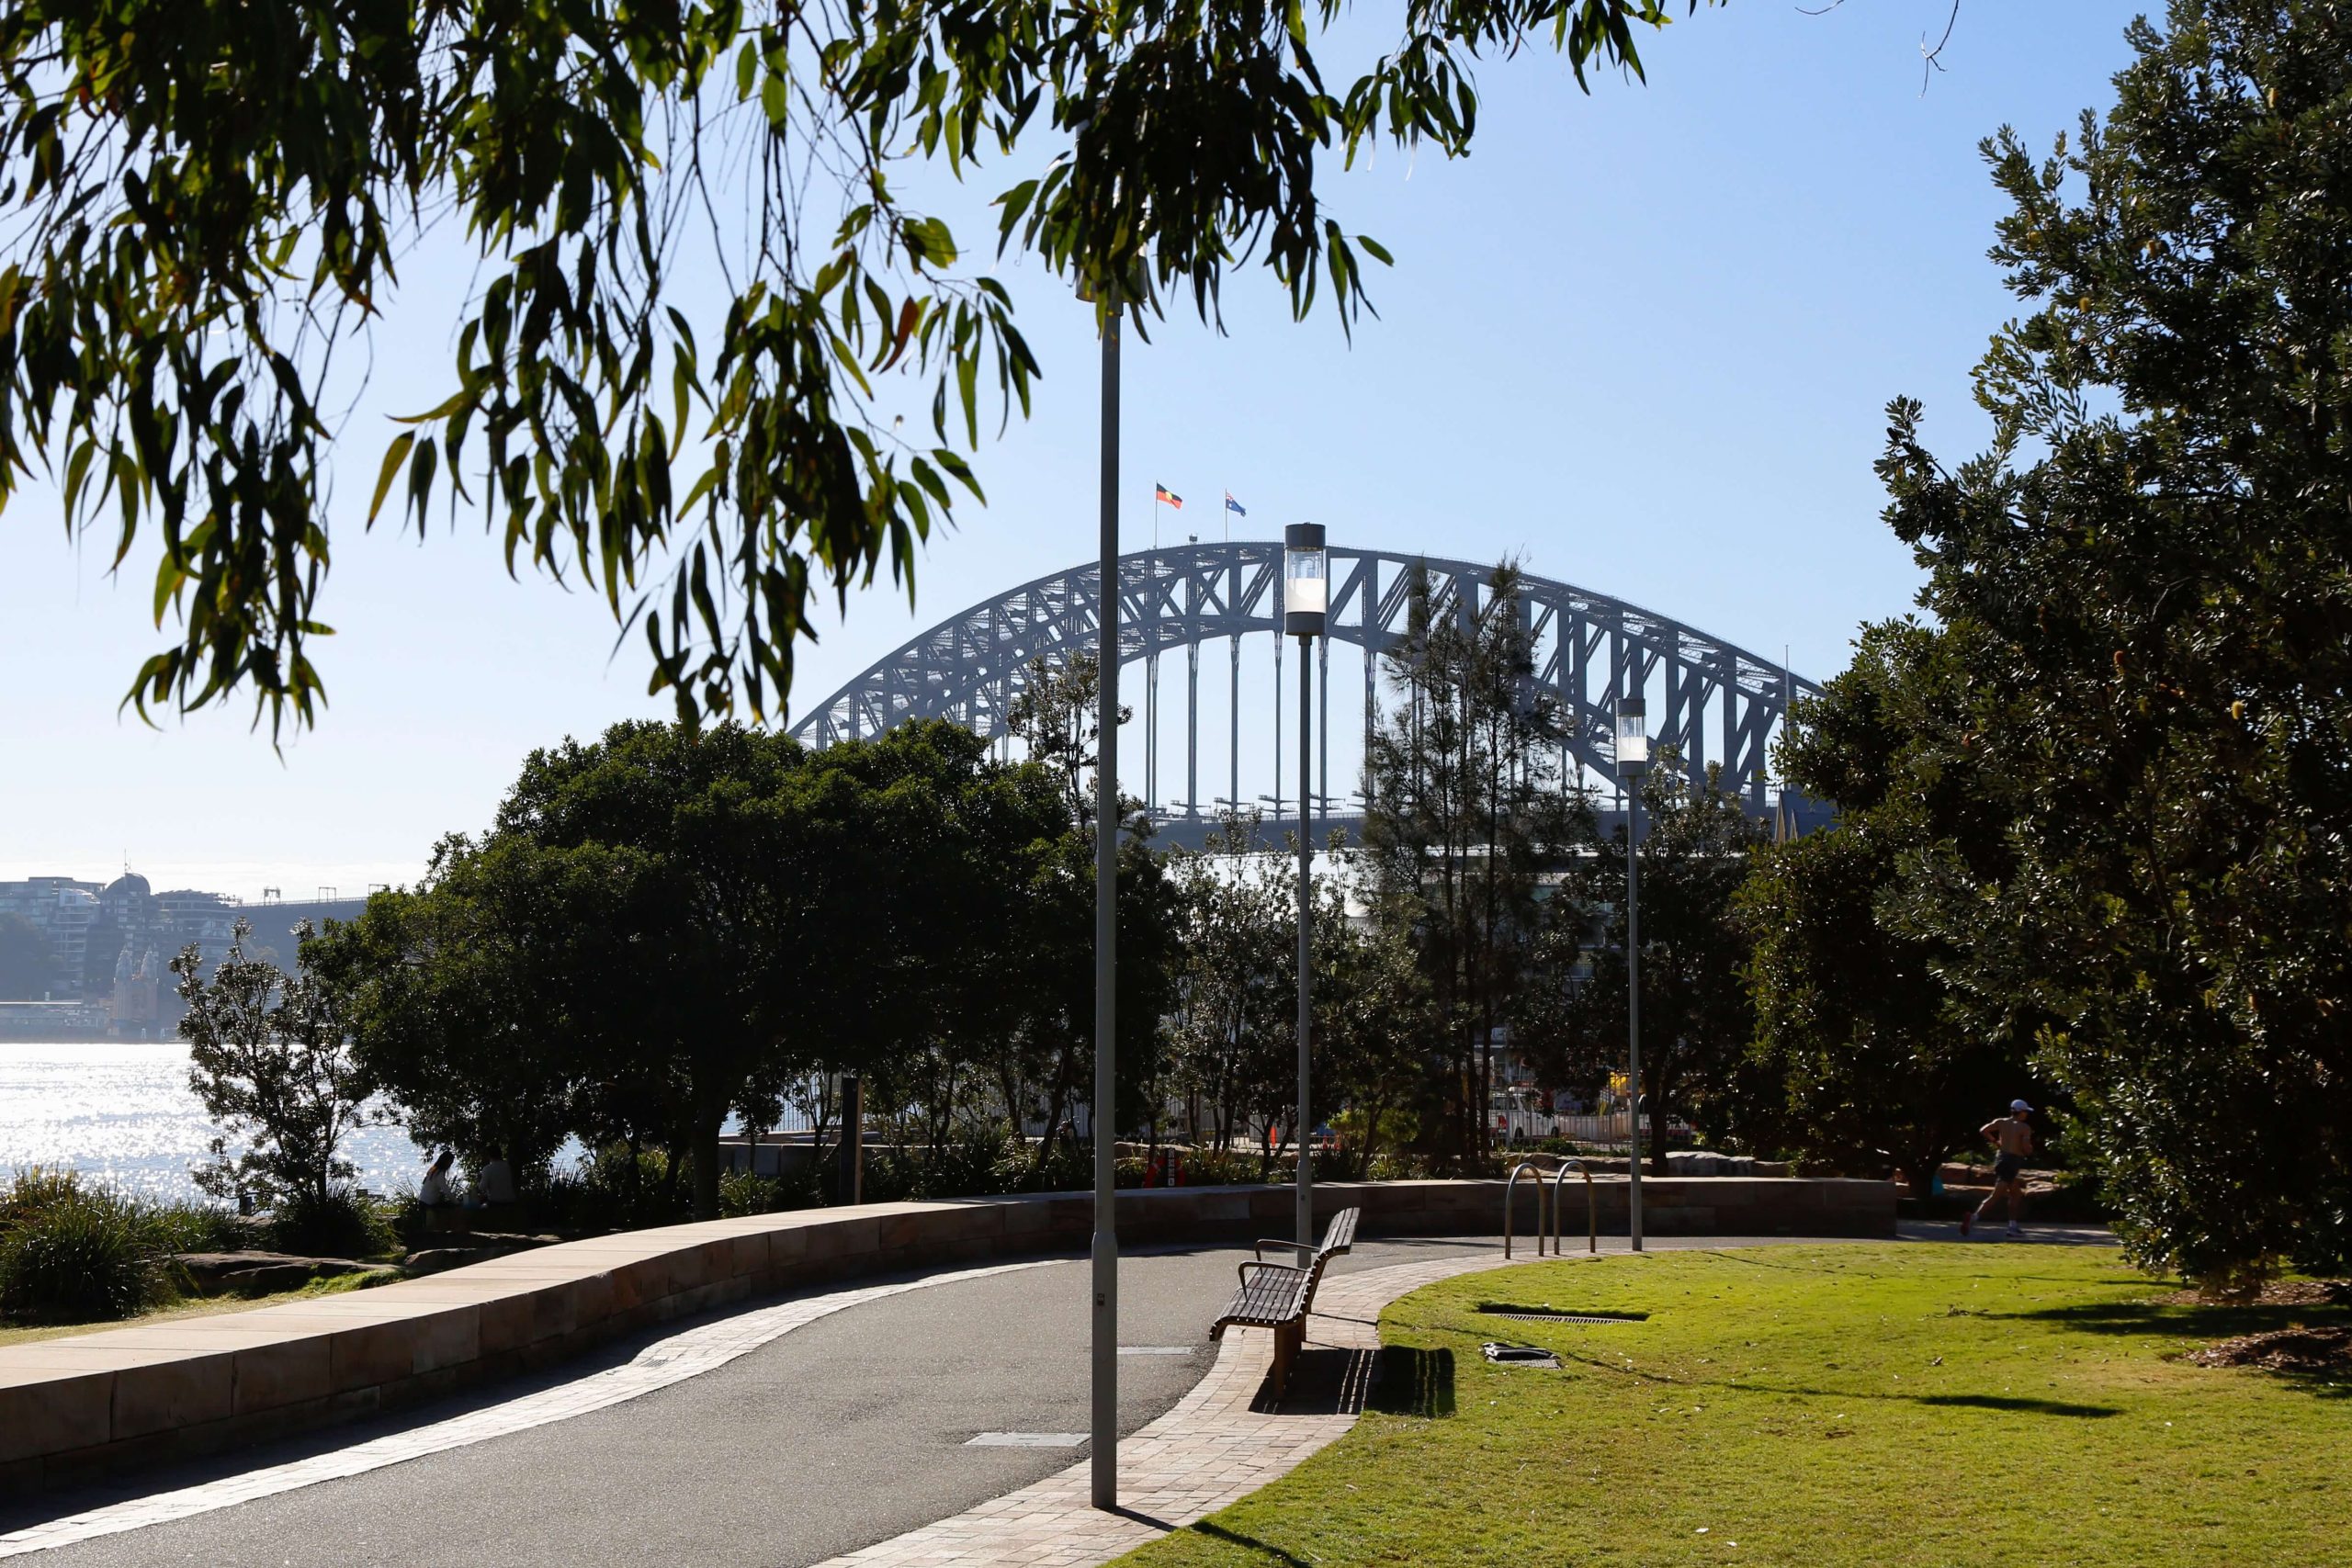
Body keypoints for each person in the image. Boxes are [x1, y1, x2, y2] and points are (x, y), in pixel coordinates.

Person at [1960, 1100, 2036, 1239]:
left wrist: (1995, 1142)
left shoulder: (2001, 1122)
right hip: (2012, 1162)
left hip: (2001, 1159)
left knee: (2016, 1195)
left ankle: (2013, 1226)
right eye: (2026, 1112)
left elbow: (1984, 1130)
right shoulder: (2024, 1128)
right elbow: (2026, 1147)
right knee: (1996, 1195)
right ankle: (1974, 1217)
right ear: (2021, 1112)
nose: (2027, 1114)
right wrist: (2029, 1150)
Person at [418, 1149, 459, 1232]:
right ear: (446, 1162)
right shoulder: (439, 1173)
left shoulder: (433, 1170)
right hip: (429, 1204)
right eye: (450, 1163)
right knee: (453, 1207)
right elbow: (446, 1190)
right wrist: (457, 1202)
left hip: (422, 1201)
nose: (450, 1165)